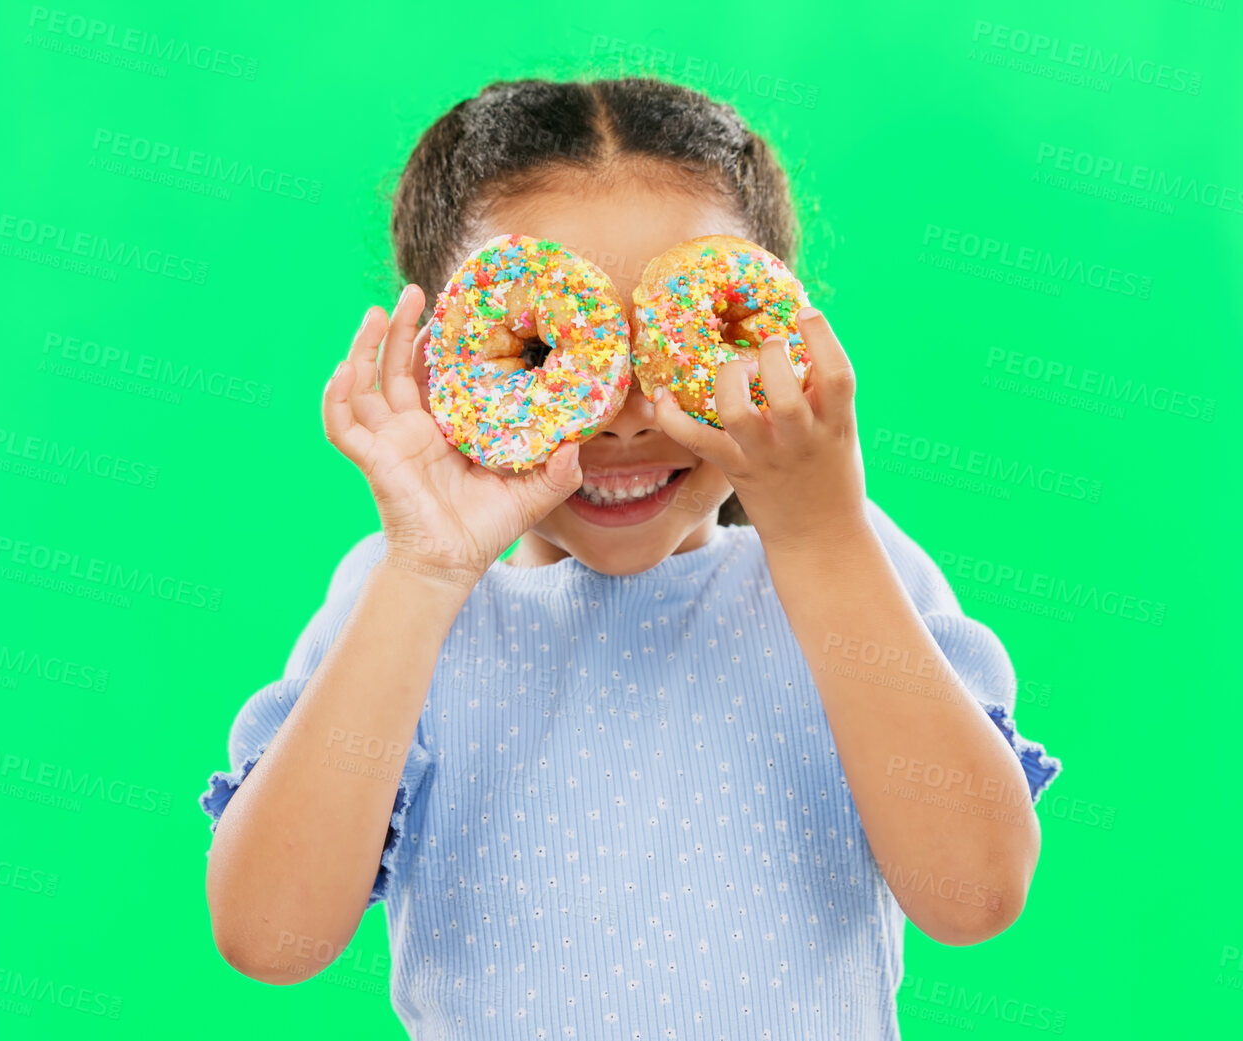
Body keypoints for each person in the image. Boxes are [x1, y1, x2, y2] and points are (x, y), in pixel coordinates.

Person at [201, 76, 1061, 1039]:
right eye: (539, 347)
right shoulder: (401, 597)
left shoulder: (852, 565)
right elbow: (270, 937)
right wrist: (427, 570)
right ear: (434, 362)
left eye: (680, 340)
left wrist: (820, 534)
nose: (620, 415)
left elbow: (975, 895)